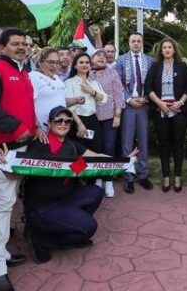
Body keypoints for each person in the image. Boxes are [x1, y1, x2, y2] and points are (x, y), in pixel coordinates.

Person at [21, 107, 133, 263]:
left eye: (67, 121)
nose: (63, 123)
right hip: (42, 206)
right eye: (58, 120)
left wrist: (124, 161)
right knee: (89, 227)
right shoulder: (40, 145)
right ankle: (40, 240)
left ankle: (68, 231)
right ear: (49, 123)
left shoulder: (72, 145)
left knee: (95, 191)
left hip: (64, 198)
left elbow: (96, 158)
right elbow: (21, 168)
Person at [0, 28, 33, 291]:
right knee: (1, 205)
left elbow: (25, 108)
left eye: (24, 43)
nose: (21, 47)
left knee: (7, 203)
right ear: (2, 46)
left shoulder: (23, 73)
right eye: (15, 43)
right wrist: (15, 127)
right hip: (0, 149)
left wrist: (36, 129)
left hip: (21, 148)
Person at [145, 38, 187, 193]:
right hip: (161, 109)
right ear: (161, 50)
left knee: (178, 143)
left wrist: (181, 102)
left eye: (169, 47)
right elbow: (148, 87)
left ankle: (177, 176)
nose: (166, 50)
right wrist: (159, 103)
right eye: (164, 47)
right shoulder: (155, 66)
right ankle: (166, 176)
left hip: (179, 109)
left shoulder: (182, 66)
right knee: (164, 143)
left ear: (174, 49)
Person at [113, 32, 154, 194]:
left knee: (143, 141)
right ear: (128, 43)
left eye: (139, 41)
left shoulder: (150, 61)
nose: (136, 43)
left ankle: (143, 175)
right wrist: (129, 99)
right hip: (128, 105)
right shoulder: (121, 60)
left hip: (144, 104)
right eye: (133, 41)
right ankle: (128, 177)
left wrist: (145, 98)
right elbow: (117, 83)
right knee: (127, 142)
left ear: (142, 43)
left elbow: (152, 83)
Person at [90, 48, 124, 198]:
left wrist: (118, 114)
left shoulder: (112, 72)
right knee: (95, 148)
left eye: (104, 56)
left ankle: (108, 180)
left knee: (109, 147)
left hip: (110, 116)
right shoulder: (87, 72)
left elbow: (118, 94)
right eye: (98, 55)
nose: (102, 57)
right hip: (92, 117)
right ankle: (97, 178)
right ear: (92, 58)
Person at [65, 53, 106, 154]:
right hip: (77, 120)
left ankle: (92, 170)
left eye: (87, 62)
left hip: (92, 120)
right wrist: (79, 124)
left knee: (95, 150)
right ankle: (79, 170)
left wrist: (91, 91)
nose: (85, 65)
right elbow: (68, 106)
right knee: (80, 153)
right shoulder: (69, 82)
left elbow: (104, 99)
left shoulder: (93, 83)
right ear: (75, 65)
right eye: (81, 62)